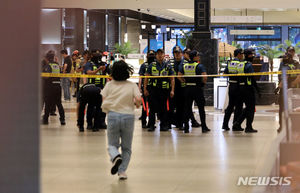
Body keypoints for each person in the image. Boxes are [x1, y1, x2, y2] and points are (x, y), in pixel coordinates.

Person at [101, 60, 142, 180]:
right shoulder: (131, 85)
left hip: (113, 116)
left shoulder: (109, 85)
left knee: (112, 145)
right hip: (128, 116)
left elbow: (104, 100)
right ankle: (122, 171)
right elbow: (138, 99)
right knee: (127, 147)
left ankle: (115, 157)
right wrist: (137, 105)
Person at [178, 50, 210, 133]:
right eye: (198, 55)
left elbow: (179, 75)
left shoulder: (184, 66)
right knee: (201, 108)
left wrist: (184, 81)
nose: (199, 57)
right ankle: (204, 127)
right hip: (197, 89)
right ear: (195, 57)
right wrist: (203, 83)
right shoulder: (199, 66)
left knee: (187, 108)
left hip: (188, 88)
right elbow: (205, 77)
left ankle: (186, 128)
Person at [144, 49, 175, 132]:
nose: (160, 55)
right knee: (152, 108)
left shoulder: (168, 66)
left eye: (161, 54)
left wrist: (172, 90)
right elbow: (146, 78)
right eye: (158, 54)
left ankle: (163, 125)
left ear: (164, 55)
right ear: (156, 55)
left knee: (163, 108)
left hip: (164, 90)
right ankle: (151, 125)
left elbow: (172, 79)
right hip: (153, 89)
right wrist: (145, 89)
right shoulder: (151, 65)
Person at [232, 48, 259, 133]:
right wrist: (257, 89)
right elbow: (252, 78)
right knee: (251, 108)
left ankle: (238, 123)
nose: (253, 56)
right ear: (247, 55)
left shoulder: (240, 64)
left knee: (248, 108)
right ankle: (248, 126)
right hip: (248, 89)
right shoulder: (249, 65)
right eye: (251, 54)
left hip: (240, 88)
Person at [276, 46, 300, 132]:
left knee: (294, 108)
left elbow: (298, 77)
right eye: (290, 51)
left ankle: (295, 127)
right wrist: (279, 86)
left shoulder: (296, 64)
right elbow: (281, 76)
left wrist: (291, 85)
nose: (291, 52)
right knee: (281, 108)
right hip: (283, 89)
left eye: (293, 51)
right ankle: (281, 126)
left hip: (294, 90)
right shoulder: (282, 63)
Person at [222, 49, 245, 131]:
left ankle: (225, 124)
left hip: (231, 86)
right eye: (242, 54)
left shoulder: (230, 63)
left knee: (230, 106)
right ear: (238, 54)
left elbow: (224, 74)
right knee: (239, 106)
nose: (243, 55)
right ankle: (236, 125)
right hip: (238, 86)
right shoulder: (241, 63)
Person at [42, 50, 66, 125]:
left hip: (50, 87)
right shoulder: (57, 65)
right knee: (59, 103)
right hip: (58, 86)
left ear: (47, 58)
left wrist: (41, 75)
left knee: (48, 103)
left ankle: (45, 120)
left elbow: (47, 76)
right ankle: (62, 120)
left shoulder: (48, 65)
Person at [138, 50, 156, 128]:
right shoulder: (143, 65)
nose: (151, 57)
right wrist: (140, 88)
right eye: (150, 55)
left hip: (154, 88)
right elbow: (140, 77)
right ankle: (144, 123)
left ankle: (151, 123)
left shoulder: (156, 65)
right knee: (145, 106)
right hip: (146, 87)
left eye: (152, 55)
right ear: (147, 56)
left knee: (153, 106)